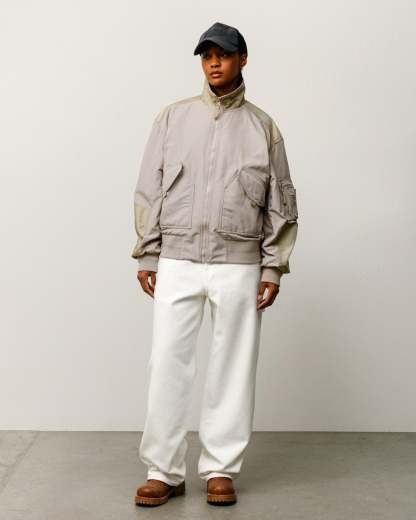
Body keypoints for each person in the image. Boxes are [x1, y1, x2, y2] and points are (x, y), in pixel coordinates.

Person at [131, 21, 299, 507]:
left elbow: (281, 201)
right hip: (178, 257)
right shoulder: (172, 118)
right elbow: (149, 188)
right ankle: (163, 470)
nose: (213, 63)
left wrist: (272, 266)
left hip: (239, 261)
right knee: (167, 362)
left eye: (222, 55)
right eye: (206, 56)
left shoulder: (263, 127)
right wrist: (148, 250)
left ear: (242, 59)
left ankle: (221, 468)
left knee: (233, 366)